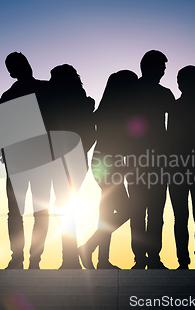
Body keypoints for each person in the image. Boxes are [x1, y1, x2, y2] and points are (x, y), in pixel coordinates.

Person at [78, 70, 138, 269]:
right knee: (127, 209)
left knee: (105, 214)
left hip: (101, 162)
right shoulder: (125, 112)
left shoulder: (102, 111)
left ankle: (102, 260)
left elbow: (90, 137)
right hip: (111, 164)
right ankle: (89, 247)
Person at [41, 64, 95, 269]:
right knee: (65, 206)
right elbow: (91, 133)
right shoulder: (83, 101)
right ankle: (70, 255)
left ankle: (70, 257)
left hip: (56, 160)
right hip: (76, 160)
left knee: (62, 206)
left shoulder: (49, 102)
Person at [0, 52, 51, 269]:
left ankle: (22, 258)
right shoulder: (46, 89)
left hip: (23, 160)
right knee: (36, 212)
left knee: (20, 212)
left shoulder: (9, 95)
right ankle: (29, 259)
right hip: (35, 159)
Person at [126, 50, 175, 269]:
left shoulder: (133, 92)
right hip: (148, 160)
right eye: (161, 67)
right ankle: (148, 257)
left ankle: (145, 258)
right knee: (151, 211)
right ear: (150, 67)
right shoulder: (163, 94)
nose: (164, 71)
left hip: (145, 159)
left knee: (145, 211)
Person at [167, 66, 195, 269]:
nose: (178, 83)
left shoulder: (175, 107)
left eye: (180, 80)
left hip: (178, 164)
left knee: (182, 217)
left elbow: (170, 137)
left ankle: (185, 262)